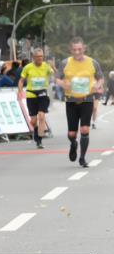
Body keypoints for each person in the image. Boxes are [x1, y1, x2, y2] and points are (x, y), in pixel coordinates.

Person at [56, 38, 103, 167]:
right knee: (72, 133)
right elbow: (57, 79)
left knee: (84, 129)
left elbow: (100, 78)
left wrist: (97, 85)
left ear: (84, 48)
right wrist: (63, 84)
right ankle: (73, 143)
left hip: (87, 99)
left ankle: (82, 158)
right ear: (70, 50)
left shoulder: (93, 62)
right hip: (71, 100)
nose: (77, 52)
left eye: (79, 49)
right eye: (74, 50)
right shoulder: (65, 63)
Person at [18, 48, 54, 149]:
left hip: (42, 93)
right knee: (33, 121)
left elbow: (55, 74)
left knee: (42, 116)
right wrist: (20, 91)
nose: (40, 58)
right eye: (37, 57)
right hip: (31, 94)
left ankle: (40, 140)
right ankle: (36, 131)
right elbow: (21, 80)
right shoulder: (27, 67)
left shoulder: (46, 66)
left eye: (41, 56)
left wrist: (53, 67)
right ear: (33, 57)